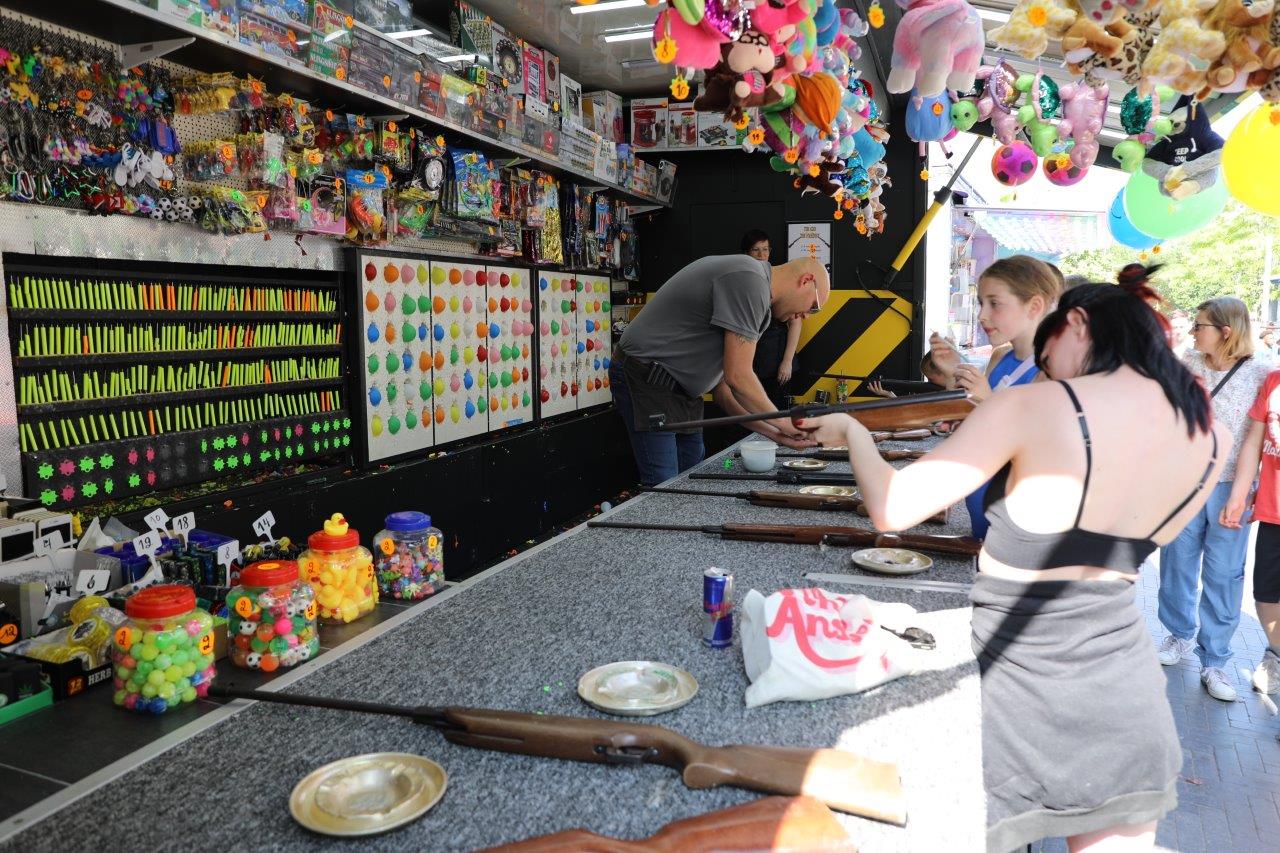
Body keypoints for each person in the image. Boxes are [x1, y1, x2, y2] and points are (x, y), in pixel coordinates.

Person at [797, 278, 1225, 853]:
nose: (1049, 373)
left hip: (1012, 690)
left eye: (1049, 358)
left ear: (1076, 324)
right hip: (1126, 696)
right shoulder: (1210, 433)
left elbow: (891, 507)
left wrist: (852, 431)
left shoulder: (1033, 405)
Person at [609, 254, 829, 485]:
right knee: (664, 486)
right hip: (648, 377)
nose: (806, 315)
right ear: (806, 280)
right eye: (814, 307)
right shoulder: (750, 282)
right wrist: (783, 422)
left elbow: (724, 391)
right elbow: (739, 378)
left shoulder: (760, 302)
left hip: (683, 390)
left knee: (691, 480)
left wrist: (776, 434)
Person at [1155, 297, 1270, 701]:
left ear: (1225, 331)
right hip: (1184, 482)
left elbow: (1256, 438)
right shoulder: (1187, 363)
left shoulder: (1261, 372)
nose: (1192, 332)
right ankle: (1178, 634)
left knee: (1224, 573)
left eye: (1199, 325)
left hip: (1231, 486)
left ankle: (1215, 659)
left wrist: (1242, 493)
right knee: (1176, 562)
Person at [932, 256, 1063, 538]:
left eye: (995, 303)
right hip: (981, 516)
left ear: (1035, 306)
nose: (982, 315)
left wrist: (986, 403)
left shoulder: (1053, 372)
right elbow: (977, 431)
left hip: (1017, 531)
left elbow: (1035, 455)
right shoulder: (1000, 356)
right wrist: (953, 375)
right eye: (981, 303)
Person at [1221, 370, 1280, 696]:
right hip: (1274, 510)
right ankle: (1277, 651)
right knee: (1265, 595)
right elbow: (1254, 441)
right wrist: (1240, 492)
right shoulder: (1274, 382)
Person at [740, 230, 804, 405]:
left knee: (777, 412)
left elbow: (796, 323)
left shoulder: (780, 278)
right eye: (756, 250)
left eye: (765, 249)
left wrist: (787, 362)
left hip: (776, 362)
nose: (762, 255)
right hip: (749, 360)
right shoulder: (740, 281)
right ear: (746, 253)